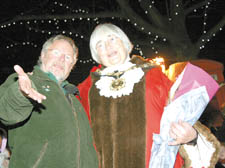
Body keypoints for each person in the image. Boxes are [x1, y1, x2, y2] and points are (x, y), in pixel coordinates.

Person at [77, 23, 220, 168]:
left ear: (126, 43)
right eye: (99, 45)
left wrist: (191, 137)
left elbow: (182, 115)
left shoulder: (155, 75)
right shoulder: (86, 89)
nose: (107, 46)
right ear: (96, 55)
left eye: (112, 39)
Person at [0, 35, 98, 168]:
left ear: (72, 65)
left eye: (68, 57)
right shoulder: (26, 81)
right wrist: (21, 94)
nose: (61, 59)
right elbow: (6, 112)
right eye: (56, 53)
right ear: (43, 54)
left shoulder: (75, 98)